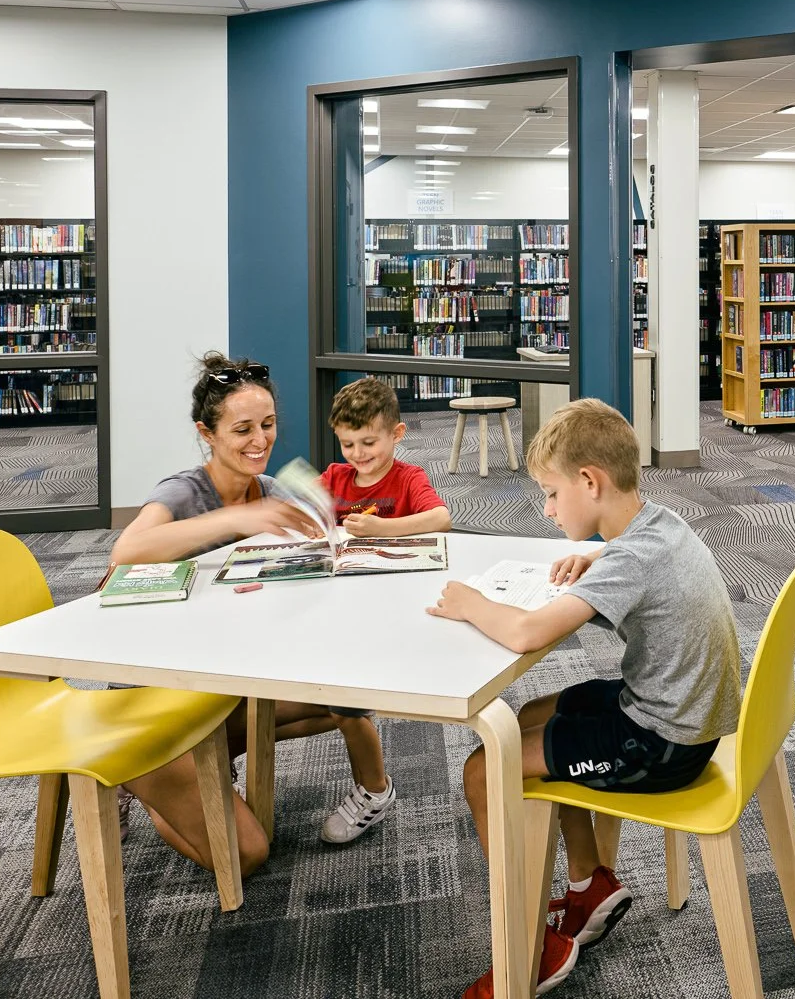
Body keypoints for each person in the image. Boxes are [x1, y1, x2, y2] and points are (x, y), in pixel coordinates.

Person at [427, 398, 742, 999]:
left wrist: (471, 603)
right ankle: (587, 885)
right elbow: (635, 561)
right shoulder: (658, 525)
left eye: (551, 493)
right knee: (535, 715)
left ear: (590, 482)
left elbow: (527, 632)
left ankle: (528, 949)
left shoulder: (632, 560)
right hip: (678, 713)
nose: (547, 510)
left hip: (662, 743)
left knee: (483, 769)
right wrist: (594, 555)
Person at [113, 353, 399, 850]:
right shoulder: (183, 492)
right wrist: (235, 520)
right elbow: (124, 553)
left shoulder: (267, 489)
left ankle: (214, 759)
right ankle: (133, 777)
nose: (260, 440)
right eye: (242, 429)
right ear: (207, 433)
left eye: (267, 425)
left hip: (215, 682)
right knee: (248, 853)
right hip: (154, 702)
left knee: (347, 694)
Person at [319, 377, 452, 537]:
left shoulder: (410, 478)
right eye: (347, 444)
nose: (357, 453)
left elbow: (441, 519)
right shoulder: (333, 477)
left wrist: (382, 528)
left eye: (369, 443)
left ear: (396, 434)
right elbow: (299, 506)